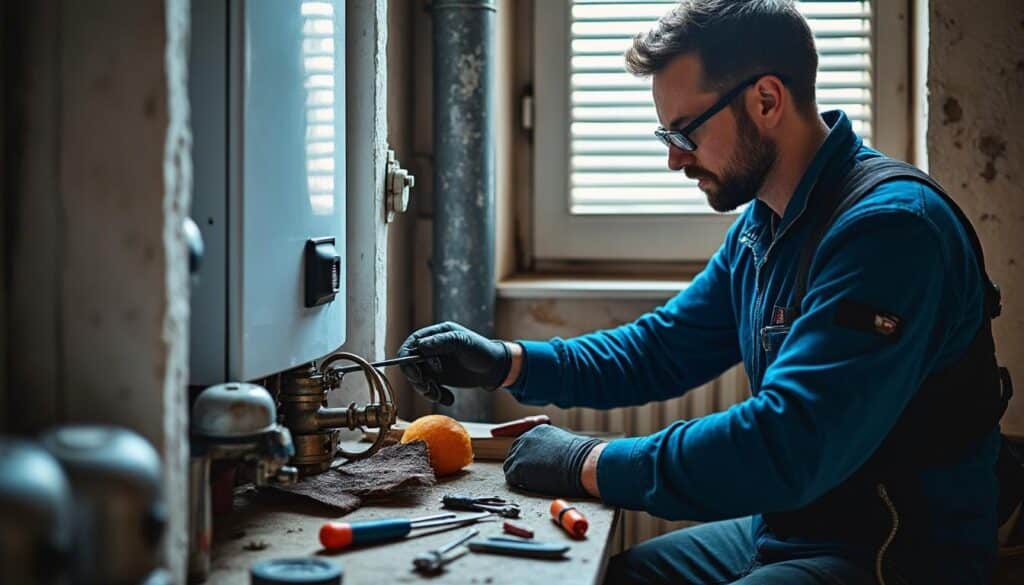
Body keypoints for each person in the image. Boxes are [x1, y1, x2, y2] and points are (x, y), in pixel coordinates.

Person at [398, 1, 1011, 583]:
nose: (674, 161)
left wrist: (588, 461)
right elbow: (661, 349)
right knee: (623, 577)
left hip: (889, 550)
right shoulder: (766, 223)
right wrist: (506, 361)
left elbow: (784, 446)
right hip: (792, 525)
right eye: (665, 137)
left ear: (767, 99)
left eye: (684, 134)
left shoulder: (890, 232)